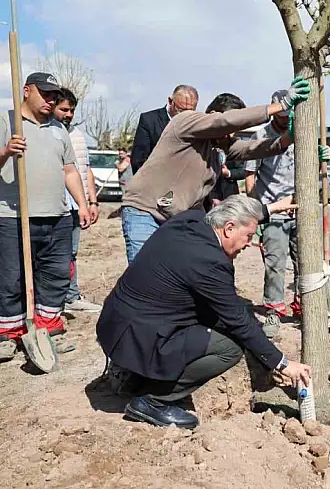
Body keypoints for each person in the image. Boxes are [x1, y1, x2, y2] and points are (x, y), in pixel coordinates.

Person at [96, 195, 309, 429]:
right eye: (248, 236)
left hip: (115, 324)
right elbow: (238, 321)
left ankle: (135, 377)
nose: (249, 243)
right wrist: (282, 363)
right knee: (229, 347)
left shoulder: (192, 220)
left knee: (218, 316)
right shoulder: (211, 262)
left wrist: (269, 210)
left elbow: (233, 215)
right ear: (229, 228)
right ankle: (154, 401)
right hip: (139, 334)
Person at [119, 77, 311, 264]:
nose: (230, 134)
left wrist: (287, 139)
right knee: (144, 273)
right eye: (230, 125)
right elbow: (224, 122)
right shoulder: (186, 121)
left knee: (174, 277)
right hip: (144, 212)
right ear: (210, 113)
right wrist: (280, 105)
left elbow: (251, 148)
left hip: (175, 218)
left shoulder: (220, 144)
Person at [0, 72, 91, 361]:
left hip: (58, 217)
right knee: (11, 278)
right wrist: (5, 152)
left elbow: (69, 170)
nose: (51, 100)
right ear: (26, 91)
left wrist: (83, 203)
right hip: (13, 217)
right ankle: (9, 335)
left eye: (54, 95)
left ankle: (48, 328)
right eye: (45, 93)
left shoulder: (59, 128)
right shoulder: (6, 121)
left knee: (56, 275)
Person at [245, 89, 330, 329]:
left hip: (301, 210)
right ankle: (274, 309)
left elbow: (312, 167)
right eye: (281, 110)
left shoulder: (302, 131)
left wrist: (321, 158)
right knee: (275, 263)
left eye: (289, 110)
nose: (286, 114)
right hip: (274, 211)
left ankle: (303, 307)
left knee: (305, 261)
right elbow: (250, 177)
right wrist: (258, 210)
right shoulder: (261, 136)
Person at [53, 87, 102, 313]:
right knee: (51, 254)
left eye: (71, 110)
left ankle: (71, 296)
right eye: (64, 109)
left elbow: (86, 170)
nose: (69, 114)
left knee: (71, 252)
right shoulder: (47, 134)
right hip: (53, 205)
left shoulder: (78, 136)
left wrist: (91, 202)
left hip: (76, 205)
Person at [130, 85, 198, 174]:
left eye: (190, 111)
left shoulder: (196, 124)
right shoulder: (149, 121)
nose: (185, 115)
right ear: (170, 101)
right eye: (181, 110)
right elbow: (138, 160)